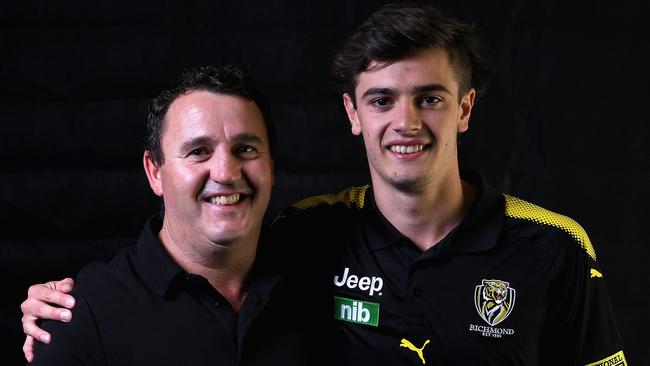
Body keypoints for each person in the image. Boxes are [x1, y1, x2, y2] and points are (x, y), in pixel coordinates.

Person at [21, 3, 627, 365]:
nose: (406, 123)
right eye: (382, 100)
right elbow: (197, 271)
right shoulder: (306, 235)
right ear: (352, 113)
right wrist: (71, 304)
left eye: (430, 98)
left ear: (465, 109)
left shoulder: (555, 249)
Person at [21, 64, 317, 365]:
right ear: (155, 172)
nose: (226, 172)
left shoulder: (317, 281)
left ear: (272, 165)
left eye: (245, 149)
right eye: (198, 151)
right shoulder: (84, 315)